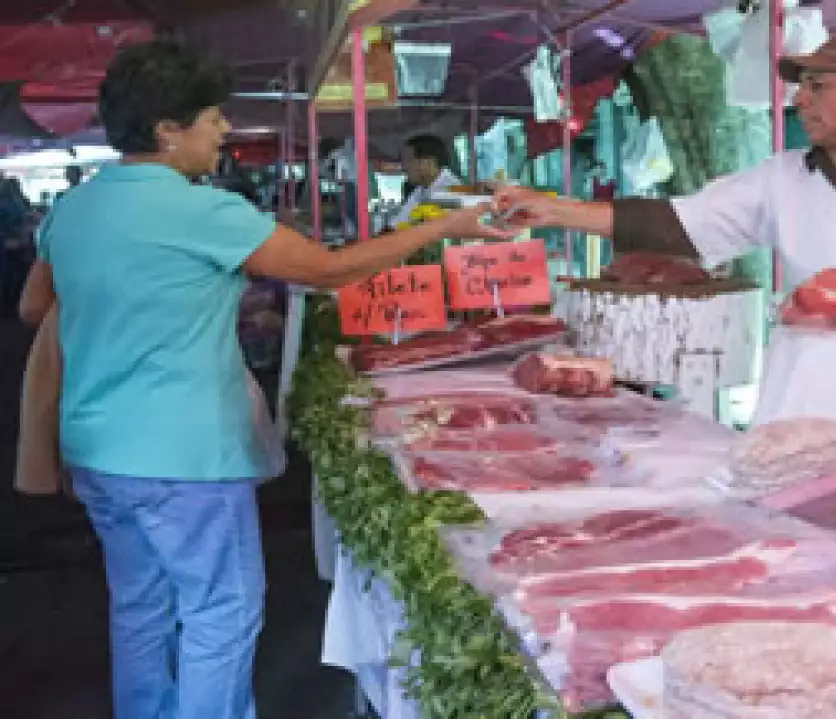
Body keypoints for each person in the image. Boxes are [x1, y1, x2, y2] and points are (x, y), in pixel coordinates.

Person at [17, 40, 507, 719]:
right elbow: (332, 270)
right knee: (220, 611)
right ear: (168, 130)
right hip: (186, 456)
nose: (223, 129)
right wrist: (447, 224)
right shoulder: (204, 212)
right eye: (211, 117)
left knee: (138, 605)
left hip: (96, 449)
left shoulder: (75, 207)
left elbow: (34, 306)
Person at [495, 32, 836, 441]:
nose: (799, 100)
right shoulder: (782, 177)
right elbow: (679, 223)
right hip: (807, 399)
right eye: (800, 87)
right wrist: (557, 211)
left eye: (817, 86)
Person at [396, 133, 461, 224]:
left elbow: (428, 228)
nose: (403, 167)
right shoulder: (420, 189)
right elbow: (399, 221)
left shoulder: (450, 191)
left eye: (409, 160)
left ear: (429, 162)